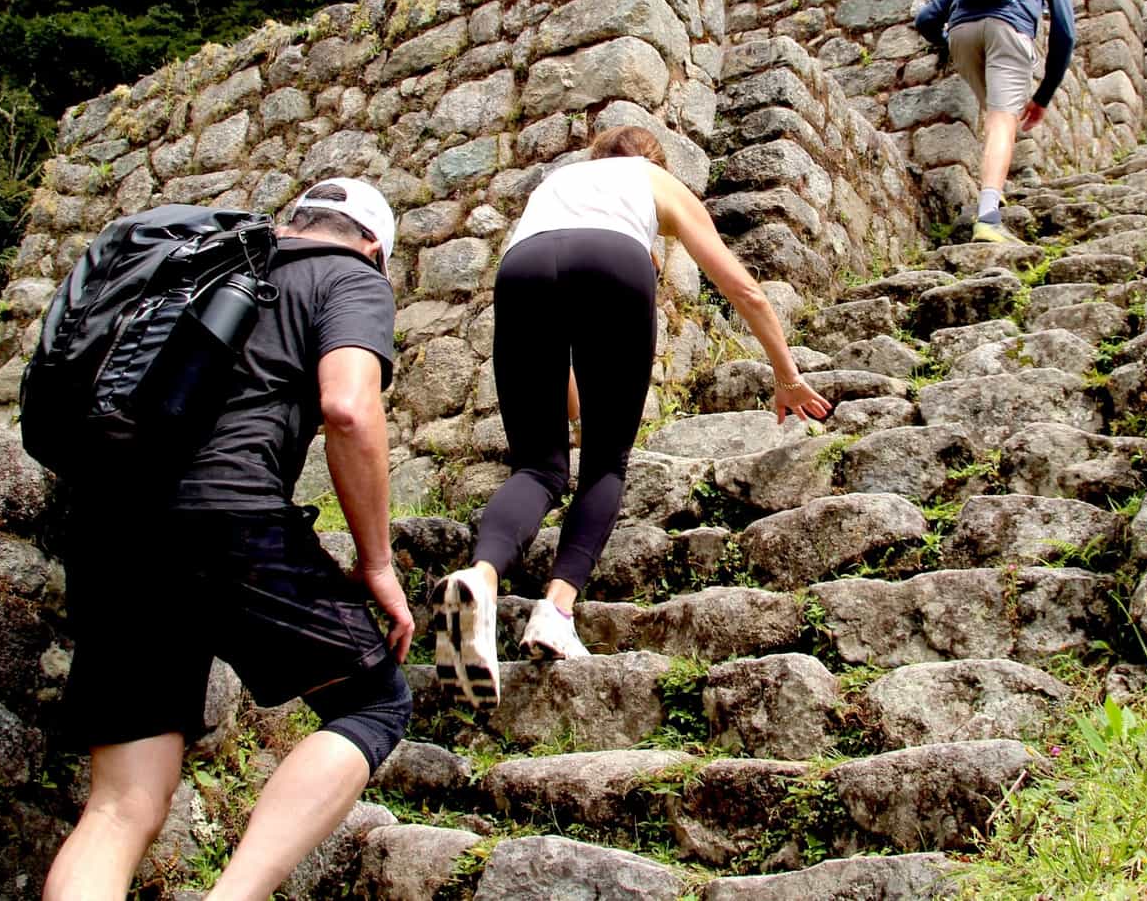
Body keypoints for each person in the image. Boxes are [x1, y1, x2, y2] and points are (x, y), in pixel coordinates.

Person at [45, 178, 414, 901]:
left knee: (121, 806)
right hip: (226, 514)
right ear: (374, 244)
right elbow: (347, 407)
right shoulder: (351, 276)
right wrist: (376, 563)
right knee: (374, 704)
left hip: (108, 524)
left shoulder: (205, 264)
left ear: (296, 219)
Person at [433, 126, 831, 707]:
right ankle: (556, 611)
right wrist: (787, 375)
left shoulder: (557, 183)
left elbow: (563, 342)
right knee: (604, 464)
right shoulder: (654, 180)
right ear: (655, 160)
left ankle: (480, 579)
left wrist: (576, 401)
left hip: (522, 270)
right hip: (614, 264)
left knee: (538, 469)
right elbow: (746, 290)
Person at [914, 0, 1078, 243]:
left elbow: (926, 18)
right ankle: (988, 217)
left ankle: (995, 186)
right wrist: (1043, 96)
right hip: (1009, 30)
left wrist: (948, 42)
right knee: (1003, 120)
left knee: (993, 113)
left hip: (961, 33)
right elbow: (1065, 33)